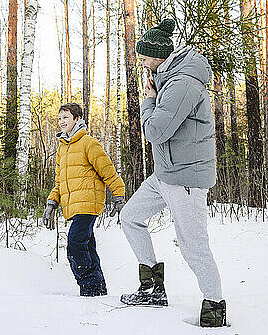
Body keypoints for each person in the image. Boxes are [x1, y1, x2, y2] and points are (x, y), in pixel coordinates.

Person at [119, 18, 226, 328]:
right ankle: (152, 288)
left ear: (158, 55)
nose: (139, 60)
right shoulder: (166, 76)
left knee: (192, 244)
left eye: (142, 56)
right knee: (130, 217)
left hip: (186, 178)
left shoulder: (182, 83)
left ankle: (214, 304)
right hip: (166, 173)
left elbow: (155, 131)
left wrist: (148, 100)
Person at [42, 102, 125, 297]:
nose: (62, 121)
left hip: (88, 203)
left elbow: (108, 170)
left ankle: (90, 287)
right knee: (87, 245)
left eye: (66, 117)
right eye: (60, 118)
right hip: (74, 206)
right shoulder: (63, 148)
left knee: (75, 244)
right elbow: (59, 180)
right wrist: (51, 203)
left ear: (77, 119)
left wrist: (118, 195)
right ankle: (99, 289)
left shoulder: (88, 143)